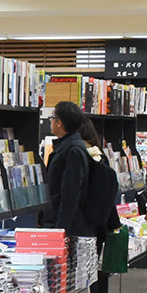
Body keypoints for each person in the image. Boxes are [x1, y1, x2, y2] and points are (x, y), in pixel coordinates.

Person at [42, 100, 93, 238]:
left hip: (64, 224)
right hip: (56, 219)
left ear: (59, 123)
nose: (51, 122)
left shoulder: (73, 150)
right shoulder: (67, 146)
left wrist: (60, 230)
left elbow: (71, 193)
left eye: (52, 118)